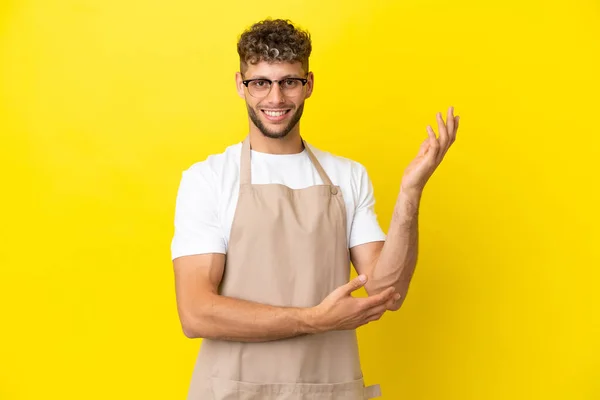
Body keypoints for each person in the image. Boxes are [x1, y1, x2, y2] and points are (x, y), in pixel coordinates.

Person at [171, 18, 459, 400]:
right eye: (261, 82)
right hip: (233, 392)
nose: (275, 99)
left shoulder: (347, 175)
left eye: (289, 81)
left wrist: (411, 192)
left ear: (308, 84)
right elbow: (196, 313)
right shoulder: (207, 179)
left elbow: (387, 290)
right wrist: (312, 320)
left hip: (329, 389)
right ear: (240, 85)